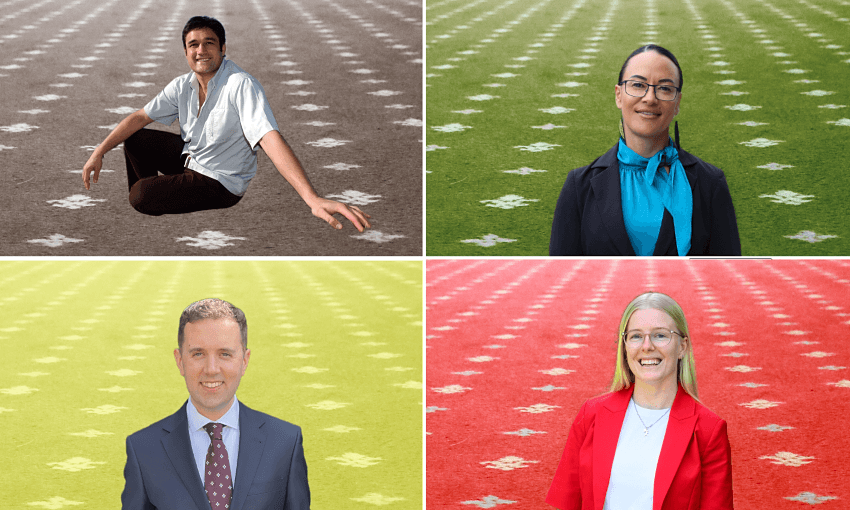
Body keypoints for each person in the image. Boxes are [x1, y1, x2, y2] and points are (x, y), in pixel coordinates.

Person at [82, 15, 370, 232]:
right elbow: (139, 117)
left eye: (209, 43)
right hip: (192, 158)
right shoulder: (182, 85)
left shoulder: (241, 85)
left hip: (220, 182)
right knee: (135, 138)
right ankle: (161, 191)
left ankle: (152, 194)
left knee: (139, 196)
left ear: (222, 49)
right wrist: (99, 151)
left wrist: (312, 198)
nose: (201, 50)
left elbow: (269, 137)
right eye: (193, 45)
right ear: (185, 52)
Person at [546, 292, 733, 510]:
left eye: (660, 335)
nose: (647, 346)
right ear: (624, 347)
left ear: (682, 347)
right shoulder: (592, 414)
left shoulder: (708, 430)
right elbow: (566, 502)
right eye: (636, 336)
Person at [549, 45, 740, 256]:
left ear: (677, 103)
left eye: (665, 88)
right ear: (618, 95)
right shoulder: (579, 187)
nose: (650, 98)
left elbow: (727, 277)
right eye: (638, 85)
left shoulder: (710, 184)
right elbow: (563, 277)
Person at [121, 298, 310, 509]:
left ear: (244, 361)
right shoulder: (143, 449)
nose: (211, 369)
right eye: (198, 354)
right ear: (180, 360)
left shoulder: (285, 442)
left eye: (225, 354)